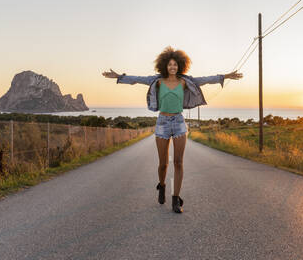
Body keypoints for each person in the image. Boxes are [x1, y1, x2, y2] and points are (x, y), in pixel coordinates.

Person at [102, 46, 243, 213]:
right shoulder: (157, 81)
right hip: (162, 122)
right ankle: (161, 185)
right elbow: (137, 79)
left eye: (175, 64)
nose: (172, 67)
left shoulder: (185, 81)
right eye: (170, 65)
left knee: (178, 162)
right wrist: (119, 76)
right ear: (164, 66)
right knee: (163, 164)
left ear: (180, 66)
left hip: (178, 122)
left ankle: (176, 199)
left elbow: (206, 79)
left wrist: (226, 76)